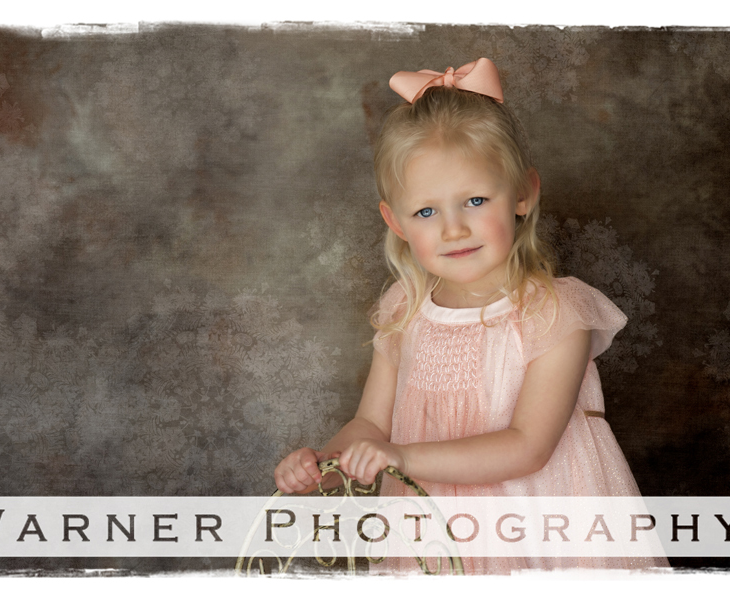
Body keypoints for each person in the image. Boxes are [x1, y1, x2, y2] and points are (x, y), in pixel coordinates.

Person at [274, 58, 668, 573]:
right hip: (432, 528)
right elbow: (370, 422)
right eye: (426, 212)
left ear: (523, 194)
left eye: (476, 200)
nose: (453, 230)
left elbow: (528, 447)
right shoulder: (404, 311)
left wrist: (403, 458)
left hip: (539, 530)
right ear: (395, 221)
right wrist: (325, 467)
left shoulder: (555, 311)